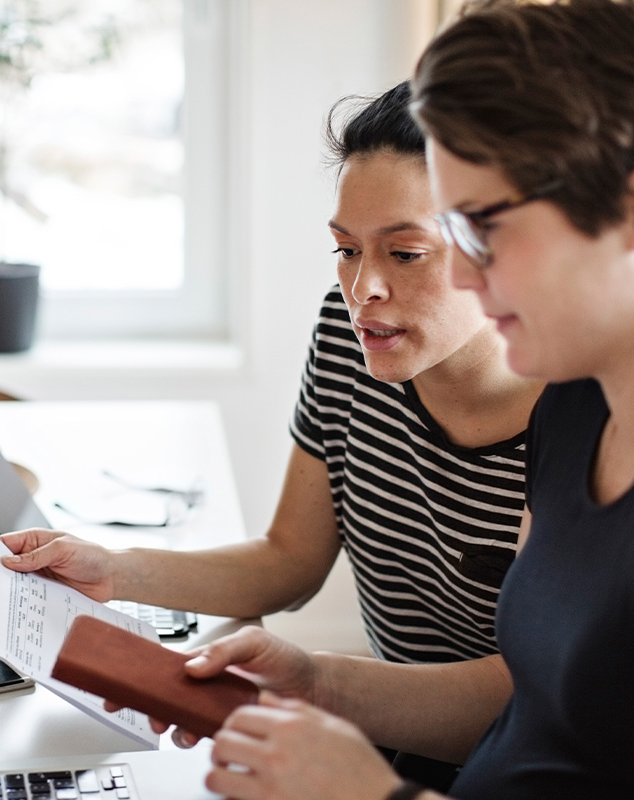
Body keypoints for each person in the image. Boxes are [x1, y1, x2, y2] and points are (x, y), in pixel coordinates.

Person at [124, 1, 634, 798]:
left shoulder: (558, 397)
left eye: (483, 230)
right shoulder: (577, 415)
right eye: (347, 251)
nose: (466, 273)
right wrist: (316, 685)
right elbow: (530, 707)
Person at [1, 81, 542, 675]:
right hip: (391, 741)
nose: (363, 291)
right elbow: (289, 562)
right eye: (346, 249)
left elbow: (531, 697)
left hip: (501, 761)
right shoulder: (349, 330)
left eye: (405, 253)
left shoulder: (581, 409)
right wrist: (112, 568)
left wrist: (314, 686)